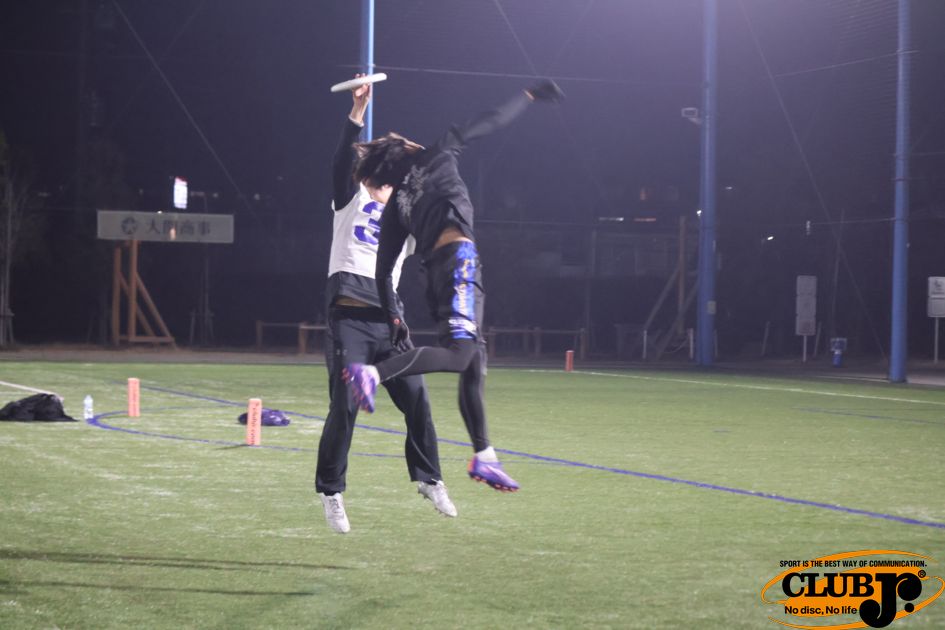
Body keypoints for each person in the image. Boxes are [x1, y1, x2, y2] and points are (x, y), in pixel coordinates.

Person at [343, 79, 565, 493]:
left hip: (437, 274)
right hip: (459, 264)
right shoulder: (438, 152)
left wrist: (394, 318)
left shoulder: (396, 206)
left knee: (475, 357)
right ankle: (372, 374)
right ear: (405, 149)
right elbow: (492, 119)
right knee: (463, 357)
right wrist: (529, 95)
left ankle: (485, 456)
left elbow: (383, 272)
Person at [315, 75, 456, 535]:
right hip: (349, 320)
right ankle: (331, 492)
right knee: (346, 406)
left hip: (388, 323)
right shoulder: (349, 202)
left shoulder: (405, 217)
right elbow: (341, 159)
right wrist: (356, 113)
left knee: (417, 399)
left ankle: (429, 479)